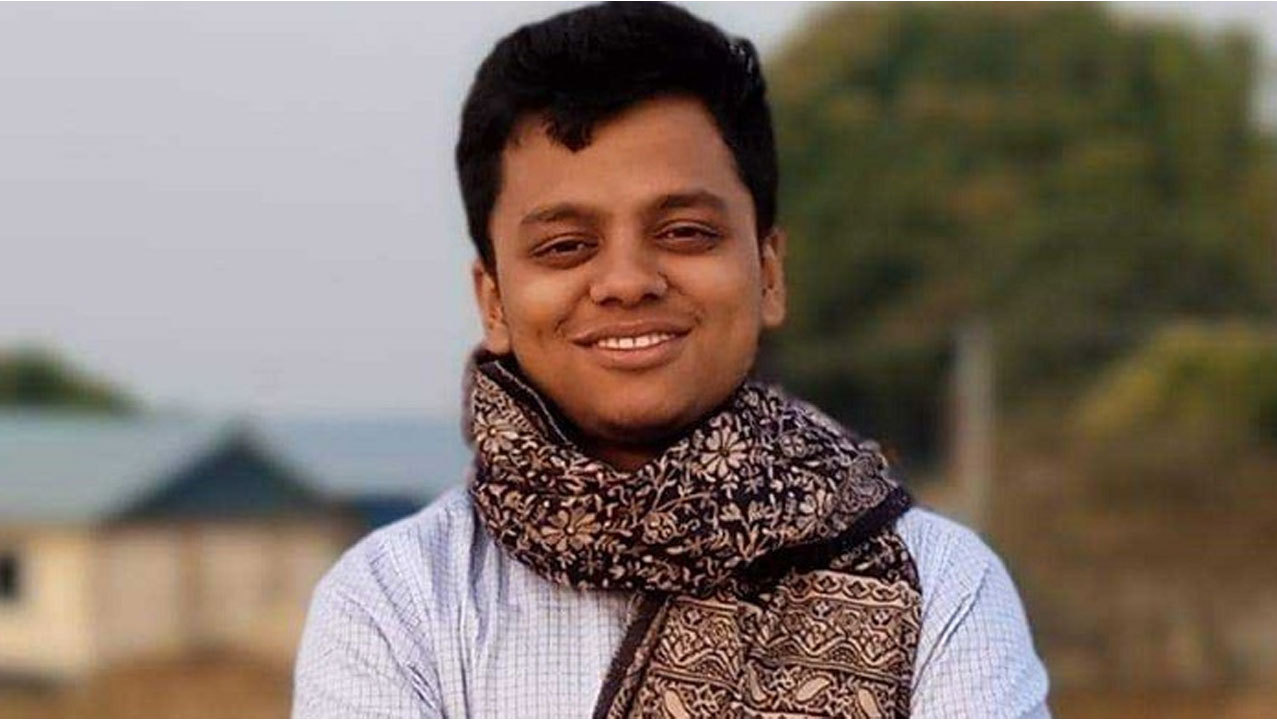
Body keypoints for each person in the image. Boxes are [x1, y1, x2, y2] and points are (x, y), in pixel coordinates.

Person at [293, 3, 1050, 718]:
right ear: (494, 301)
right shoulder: (397, 604)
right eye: (566, 246)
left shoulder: (939, 586)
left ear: (769, 273)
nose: (627, 282)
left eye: (685, 233)